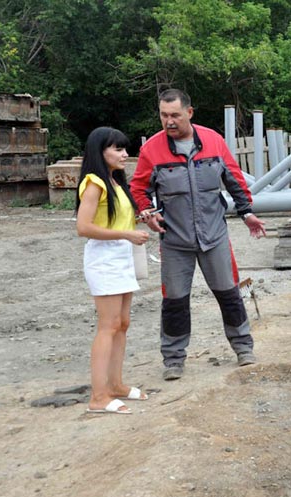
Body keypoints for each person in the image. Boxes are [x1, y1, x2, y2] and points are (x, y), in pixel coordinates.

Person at [130, 89, 266, 381]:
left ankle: (243, 348)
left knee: (229, 294)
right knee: (175, 301)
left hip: (214, 236)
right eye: (164, 115)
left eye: (175, 115)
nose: (169, 121)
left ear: (189, 113)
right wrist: (148, 212)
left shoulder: (214, 142)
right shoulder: (152, 150)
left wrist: (247, 213)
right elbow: (139, 189)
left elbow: (234, 180)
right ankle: (174, 360)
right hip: (175, 240)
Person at [75, 127, 150, 414]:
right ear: (100, 151)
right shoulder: (94, 181)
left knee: (122, 323)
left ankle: (116, 385)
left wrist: (136, 223)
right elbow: (83, 228)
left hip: (122, 257)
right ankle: (98, 396)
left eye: (124, 148)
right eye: (117, 149)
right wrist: (126, 235)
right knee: (108, 326)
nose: (124, 154)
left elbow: (116, 222)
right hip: (105, 259)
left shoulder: (115, 182)